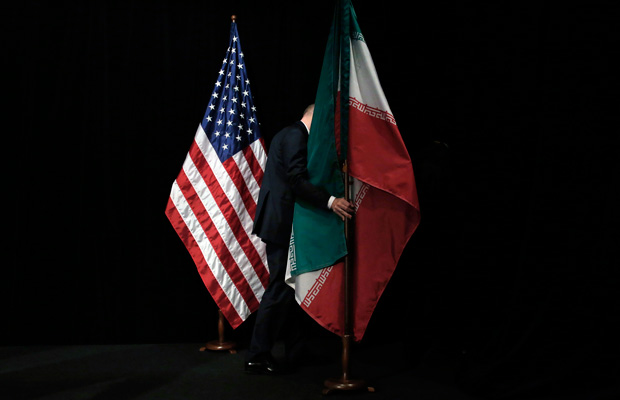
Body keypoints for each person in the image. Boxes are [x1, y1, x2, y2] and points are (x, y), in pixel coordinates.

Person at [245, 104, 354, 375]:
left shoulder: (290, 134)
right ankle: (257, 355)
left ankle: (296, 350)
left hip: (284, 223)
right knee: (280, 290)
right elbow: (296, 180)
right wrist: (331, 201)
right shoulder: (296, 135)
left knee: (291, 290)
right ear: (313, 118)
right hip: (281, 225)